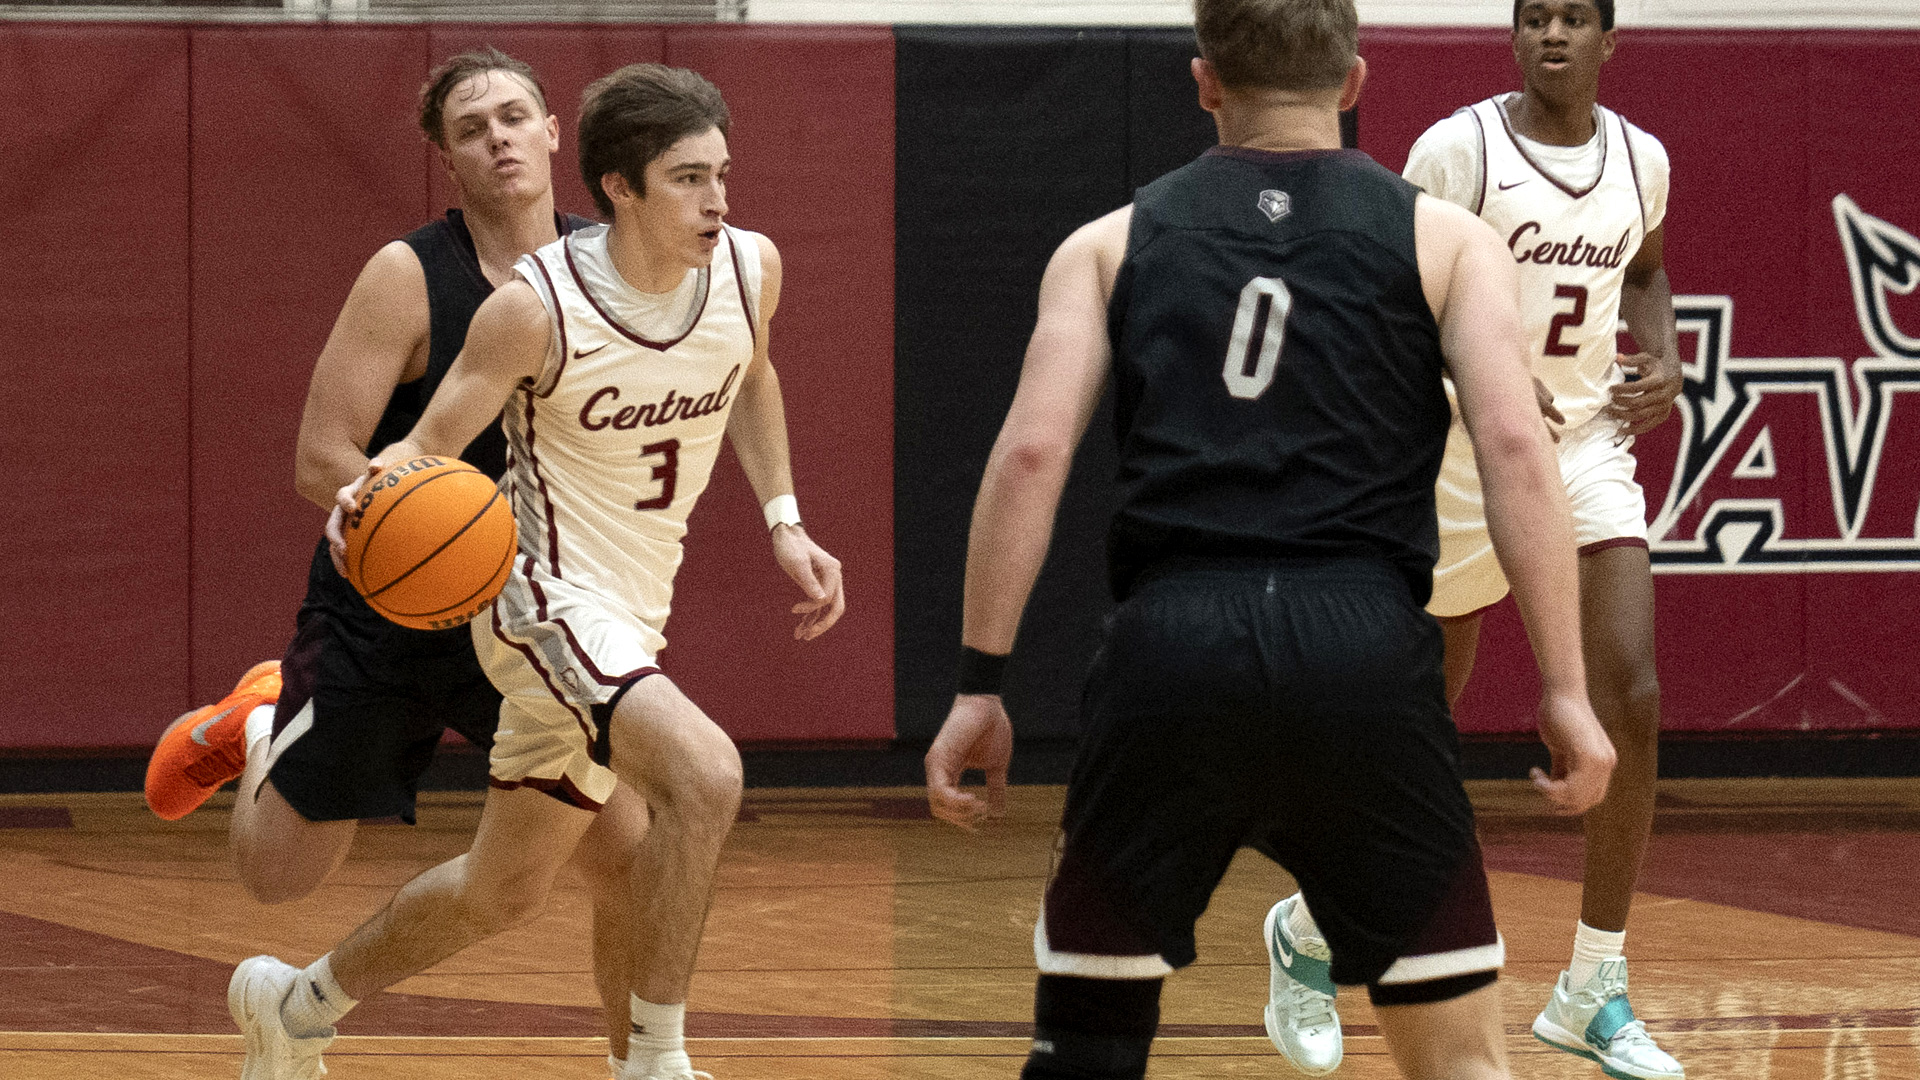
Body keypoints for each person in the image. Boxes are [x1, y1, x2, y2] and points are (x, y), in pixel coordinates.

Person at [922, 0, 1616, 1077]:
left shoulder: (1107, 243)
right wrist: (1565, 686)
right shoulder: (1448, 241)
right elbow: (1518, 449)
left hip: (1172, 650)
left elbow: (1027, 459)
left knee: (1086, 1053)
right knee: (1461, 1061)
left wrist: (980, 683)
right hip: (1369, 653)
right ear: (1354, 82)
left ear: (1204, 83)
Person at [225, 62, 845, 1080]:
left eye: (722, 174)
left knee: (511, 888)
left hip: (613, 613)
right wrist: (382, 518)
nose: (719, 199)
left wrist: (785, 520)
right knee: (703, 776)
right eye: (690, 178)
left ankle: (296, 1008)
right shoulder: (513, 301)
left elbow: (753, 369)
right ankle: (655, 1062)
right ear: (623, 186)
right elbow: (404, 451)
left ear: (557, 135)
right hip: (516, 602)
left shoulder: (746, 269)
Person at [143, 47, 664, 1066]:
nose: (499, 139)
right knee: (281, 876)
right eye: (473, 130)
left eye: (516, 117)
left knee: (628, 848)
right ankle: (260, 723)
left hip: (532, 616)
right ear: (448, 158)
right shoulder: (408, 276)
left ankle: (640, 1060)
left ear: (556, 132)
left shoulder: (609, 268)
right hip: (391, 604)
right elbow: (318, 457)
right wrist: (421, 505)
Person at [1260, 3, 1683, 1077]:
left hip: (1583, 448)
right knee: (1417, 717)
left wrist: (1664, 357)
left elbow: (1643, 271)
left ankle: (1595, 984)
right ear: (1512, 38)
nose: (1553, 33)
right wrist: (1482, 380)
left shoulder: (1643, 158)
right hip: (1456, 449)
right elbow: (1388, 296)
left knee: (1628, 692)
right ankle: (1307, 931)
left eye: (1573, 17)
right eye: (1534, 14)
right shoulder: (1459, 150)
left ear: (1607, 42)